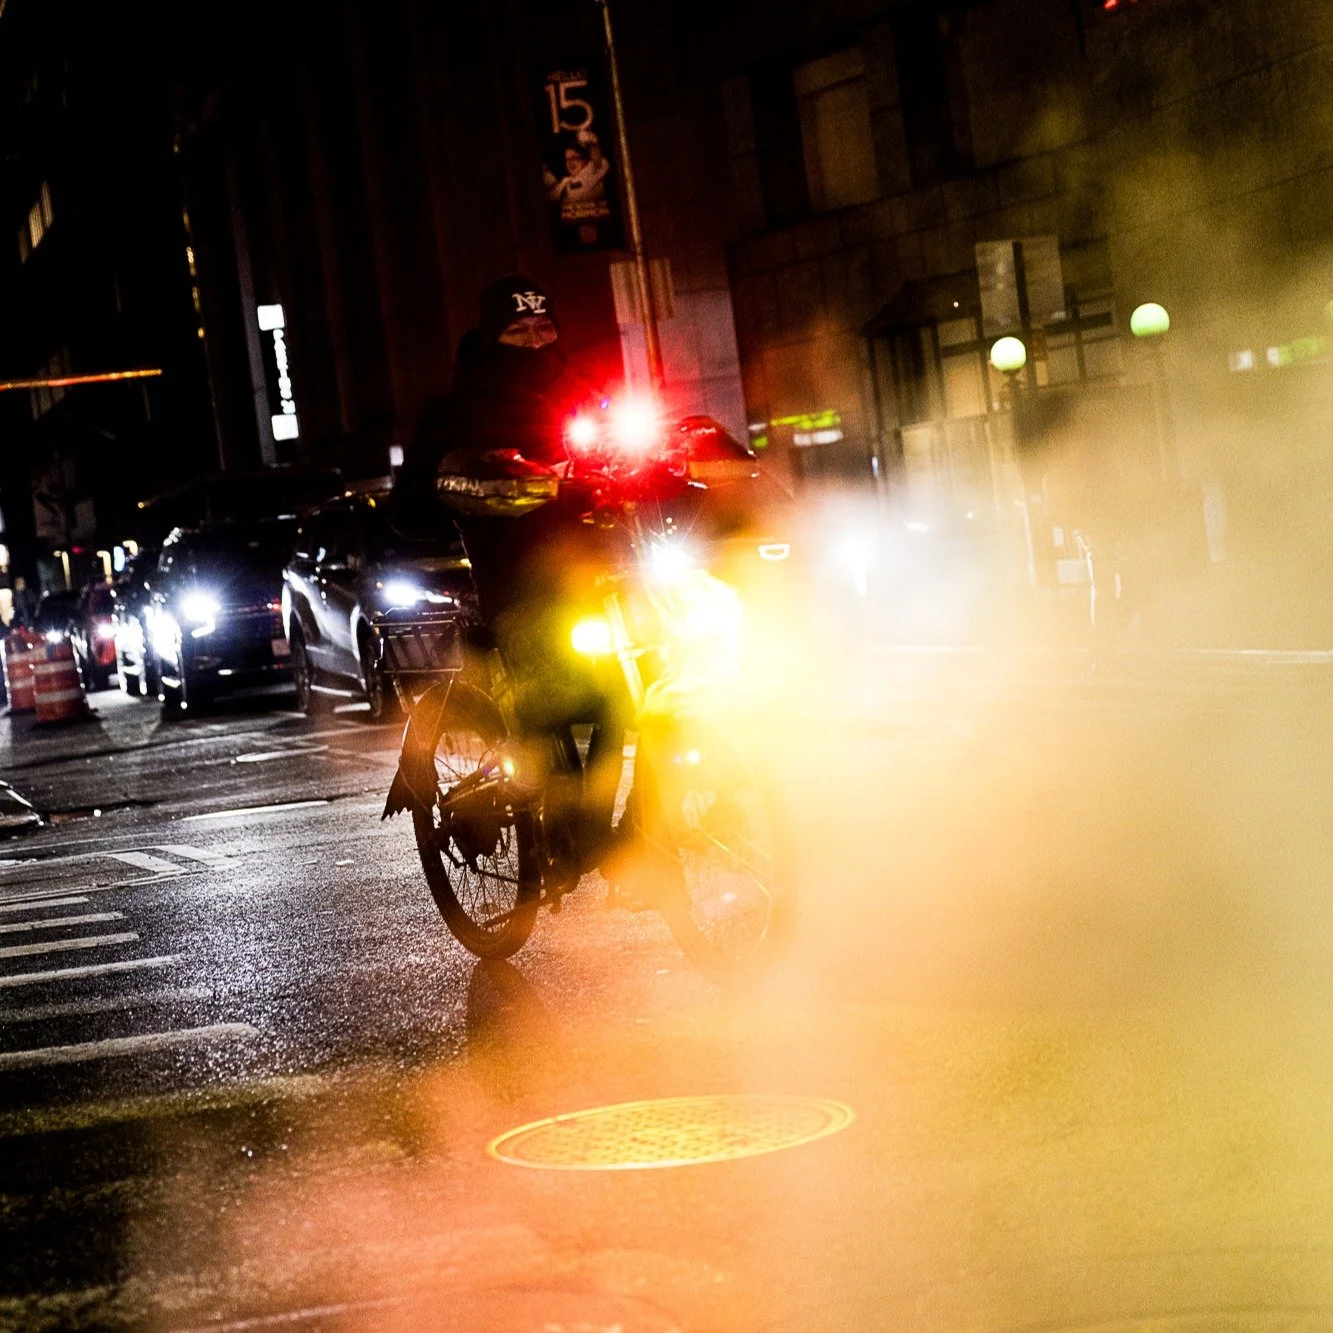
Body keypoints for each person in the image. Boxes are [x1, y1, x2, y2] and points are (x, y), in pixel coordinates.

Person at [389, 275, 627, 871]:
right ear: (493, 338)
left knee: (629, 692)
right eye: (518, 332)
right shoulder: (459, 411)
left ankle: (611, 828)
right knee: (551, 699)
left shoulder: (584, 394)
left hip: (600, 577)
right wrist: (470, 480)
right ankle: (571, 832)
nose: (534, 340)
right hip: (517, 586)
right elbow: (410, 507)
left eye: (544, 328)